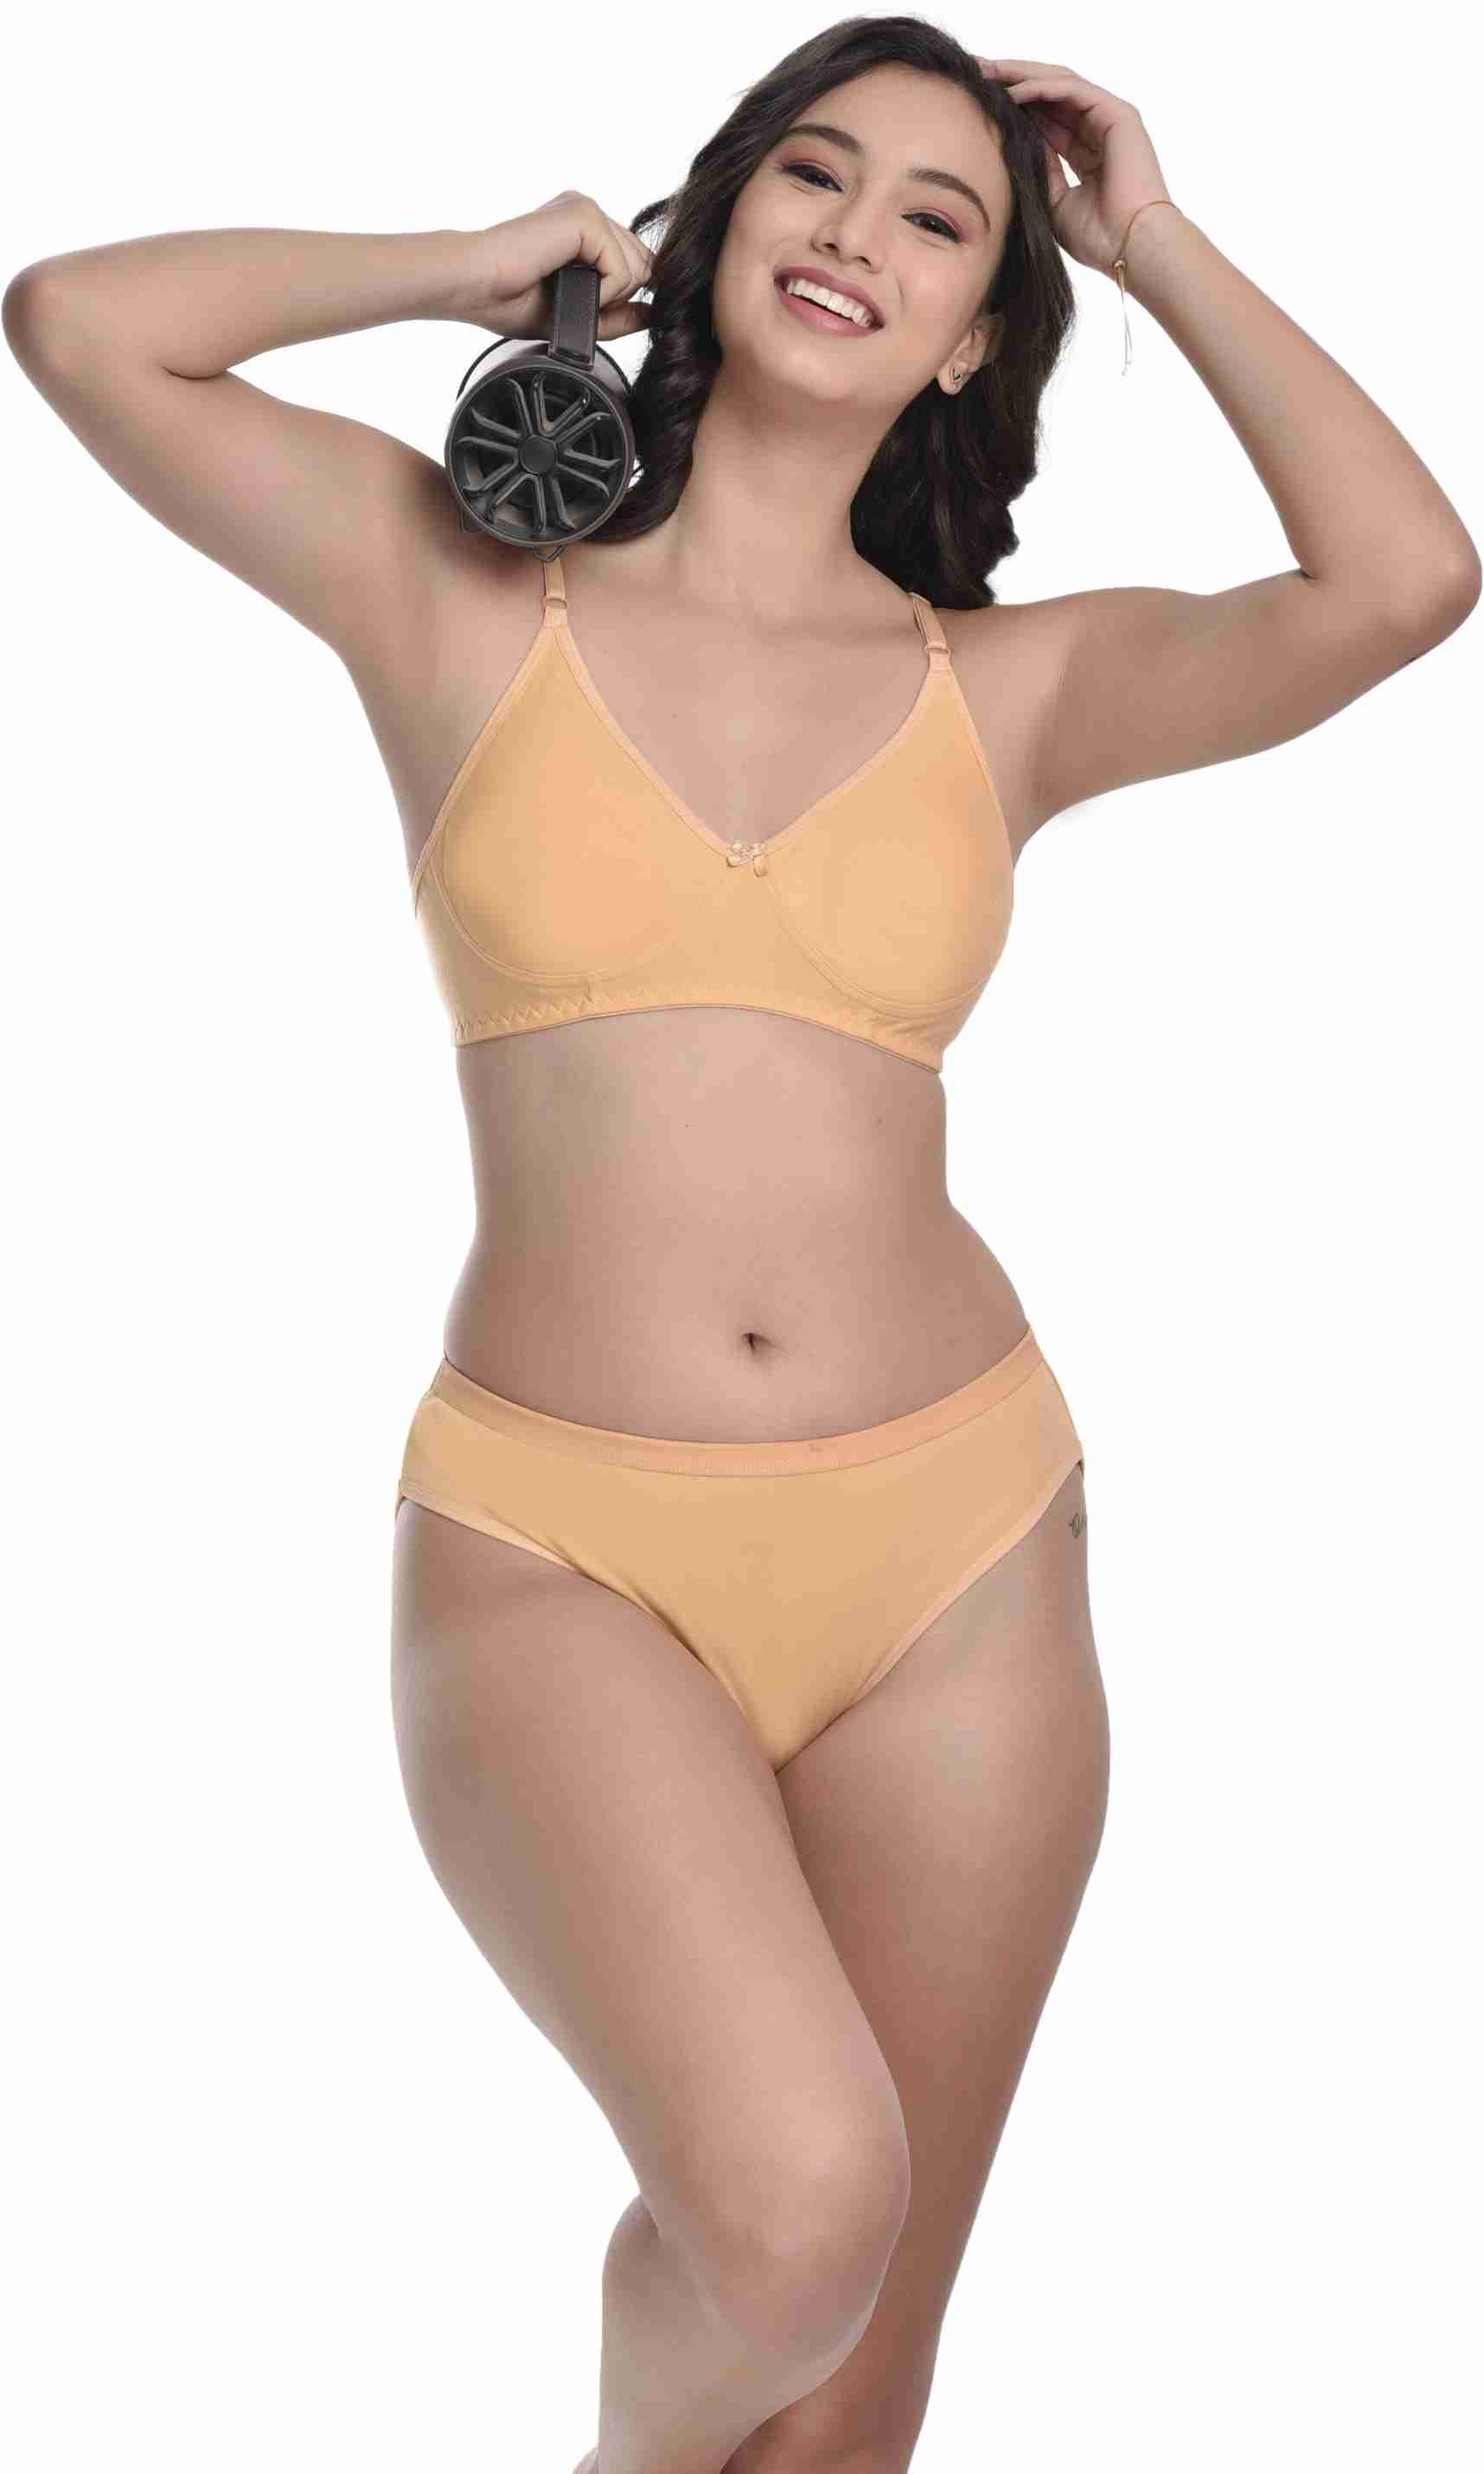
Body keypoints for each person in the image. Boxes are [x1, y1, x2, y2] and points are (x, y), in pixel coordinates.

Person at [6, 22, 1476, 2474]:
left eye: (938, 219)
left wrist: (1151, 242)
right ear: (711, 223)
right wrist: (473, 267)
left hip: (959, 1553)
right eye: (813, 172)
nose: (858, 234)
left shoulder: (1012, 689)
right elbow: (77, 321)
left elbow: (1407, 577)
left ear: (976, 337)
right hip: (559, 1543)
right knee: (789, 2221)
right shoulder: (453, 586)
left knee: (850, 2408)